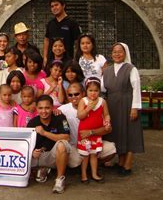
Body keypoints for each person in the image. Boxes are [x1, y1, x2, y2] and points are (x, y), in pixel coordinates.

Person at [102, 42, 144, 176]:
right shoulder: (107, 70)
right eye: (114, 51)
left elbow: (136, 89)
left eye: (120, 51)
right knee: (118, 133)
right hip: (112, 105)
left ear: (125, 53)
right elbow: (102, 89)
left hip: (127, 104)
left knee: (130, 133)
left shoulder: (131, 69)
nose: (117, 54)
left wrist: (135, 108)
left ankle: (127, 165)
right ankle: (120, 162)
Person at [58, 82, 116, 172]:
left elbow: (108, 129)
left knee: (111, 149)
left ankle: (91, 165)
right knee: (76, 161)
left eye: (76, 94)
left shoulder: (98, 105)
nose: (73, 97)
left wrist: (91, 132)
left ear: (83, 93)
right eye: (70, 95)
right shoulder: (63, 109)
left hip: (93, 141)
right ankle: (84, 167)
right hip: (74, 146)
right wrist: (54, 111)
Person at [27, 95, 71, 194]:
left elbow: (67, 137)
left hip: (54, 156)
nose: (44, 111)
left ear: (52, 108)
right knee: (26, 155)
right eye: (40, 108)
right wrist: (32, 151)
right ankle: (43, 169)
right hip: (39, 157)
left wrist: (44, 133)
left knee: (62, 144)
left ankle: (59, 180)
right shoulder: (32, 122)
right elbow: (26, 144)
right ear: (37, 109)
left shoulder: (60, 117)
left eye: (47, 108)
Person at [77, 77, 111, 183]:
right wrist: (88, 109)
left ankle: (94, 174)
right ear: (86, 91)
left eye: (96, 90)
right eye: (90, 90)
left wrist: (107, 121)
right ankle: (83, 175)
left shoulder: (102, 102)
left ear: (99, 91)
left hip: (96, 133)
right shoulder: (83, 101)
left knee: (94, 154)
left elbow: (106, 114)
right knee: (85, 155)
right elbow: (80, 116)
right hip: (84, 133)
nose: (93, 93)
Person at [43, 0, 81, 66]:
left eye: (56, 5)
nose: (54, 8)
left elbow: (77, 43)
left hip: (67, 61)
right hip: (51, 61)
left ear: (63, 5)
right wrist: (45, 57)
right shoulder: (50, 23)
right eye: (52, 6)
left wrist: (75, 59)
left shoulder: (72, 23)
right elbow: (46, 40)